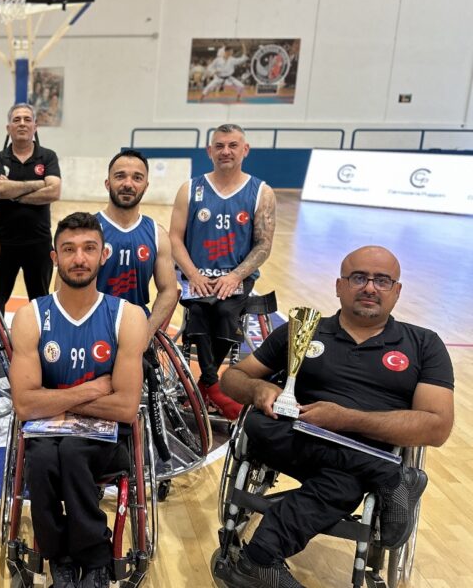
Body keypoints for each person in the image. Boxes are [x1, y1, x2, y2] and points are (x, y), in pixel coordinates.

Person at [215, 246, 454, 588]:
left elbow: (437, 426)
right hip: (296, 437)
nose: (369, 287)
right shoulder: (303, 329)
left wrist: (345, 420)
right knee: (258, 423)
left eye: (382, 280)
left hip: (362, 448)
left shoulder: (424, 344)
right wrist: (257, 389)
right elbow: (232, 378)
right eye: (358, 278)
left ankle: (259, 559)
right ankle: (389, 475)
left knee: (345, 484)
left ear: (397, 291)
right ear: (339, 286)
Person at [9, 213, 146, 588]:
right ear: (55, 257)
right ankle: (60, 559)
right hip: (45, 435)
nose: (79, 258)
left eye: (89, 248)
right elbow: (24, 406)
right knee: (41, 460)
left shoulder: (127, 317)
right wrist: (92, 389)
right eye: (68, 250)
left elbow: (125, 408)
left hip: (107, 439)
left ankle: (96, 559)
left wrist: (52, 399)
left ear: (104, 255)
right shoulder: (31, 316)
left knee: (72, 453)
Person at [169, 123, 276, 420]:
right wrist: (193, 274)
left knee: (227, 311)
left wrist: (235, 276)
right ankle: (214, 387)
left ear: (245, 150)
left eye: (232, 145)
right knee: (200, 310)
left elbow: (264, 245)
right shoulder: (190, 189)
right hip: (197, 274)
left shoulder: (261, 192)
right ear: (209, 151)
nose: (225, 151)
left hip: (236, 275)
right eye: (219, 146)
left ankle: (206, 385)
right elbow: (175, 238)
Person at [0, 103, 62, 314]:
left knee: (41, 302)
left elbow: (54, 191)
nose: (22, 123)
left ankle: (39, 336)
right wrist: (39, 183)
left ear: (35, 127)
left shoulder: (48, 156)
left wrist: (14, 195)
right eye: (17, 119)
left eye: (27, 119)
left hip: (39, 243)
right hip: (2, 243)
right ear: (8, 128)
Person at [96, 150, 176, 341]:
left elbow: (168, 290)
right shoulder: (88, 230)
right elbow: (63, 290)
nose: (128, 184)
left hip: (136, 326)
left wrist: (146, 333)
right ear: (107, 183)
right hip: (93, 326)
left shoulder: (157, 234)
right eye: (120, 176)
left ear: (145, 186)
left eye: (137, 178)